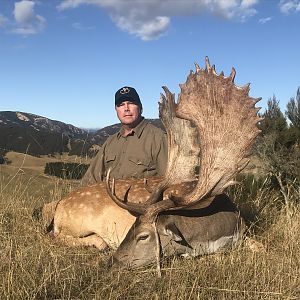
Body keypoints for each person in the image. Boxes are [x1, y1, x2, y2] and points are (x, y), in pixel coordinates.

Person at [81, 86, 168, 185]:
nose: (126, 108)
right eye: (121, 105)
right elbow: (90, 180)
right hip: (105, 198)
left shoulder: (158, 138)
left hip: (141, 200)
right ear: (116, 110)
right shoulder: (110, 142)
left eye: (131, 103)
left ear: (140, 108)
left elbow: (169, 183)